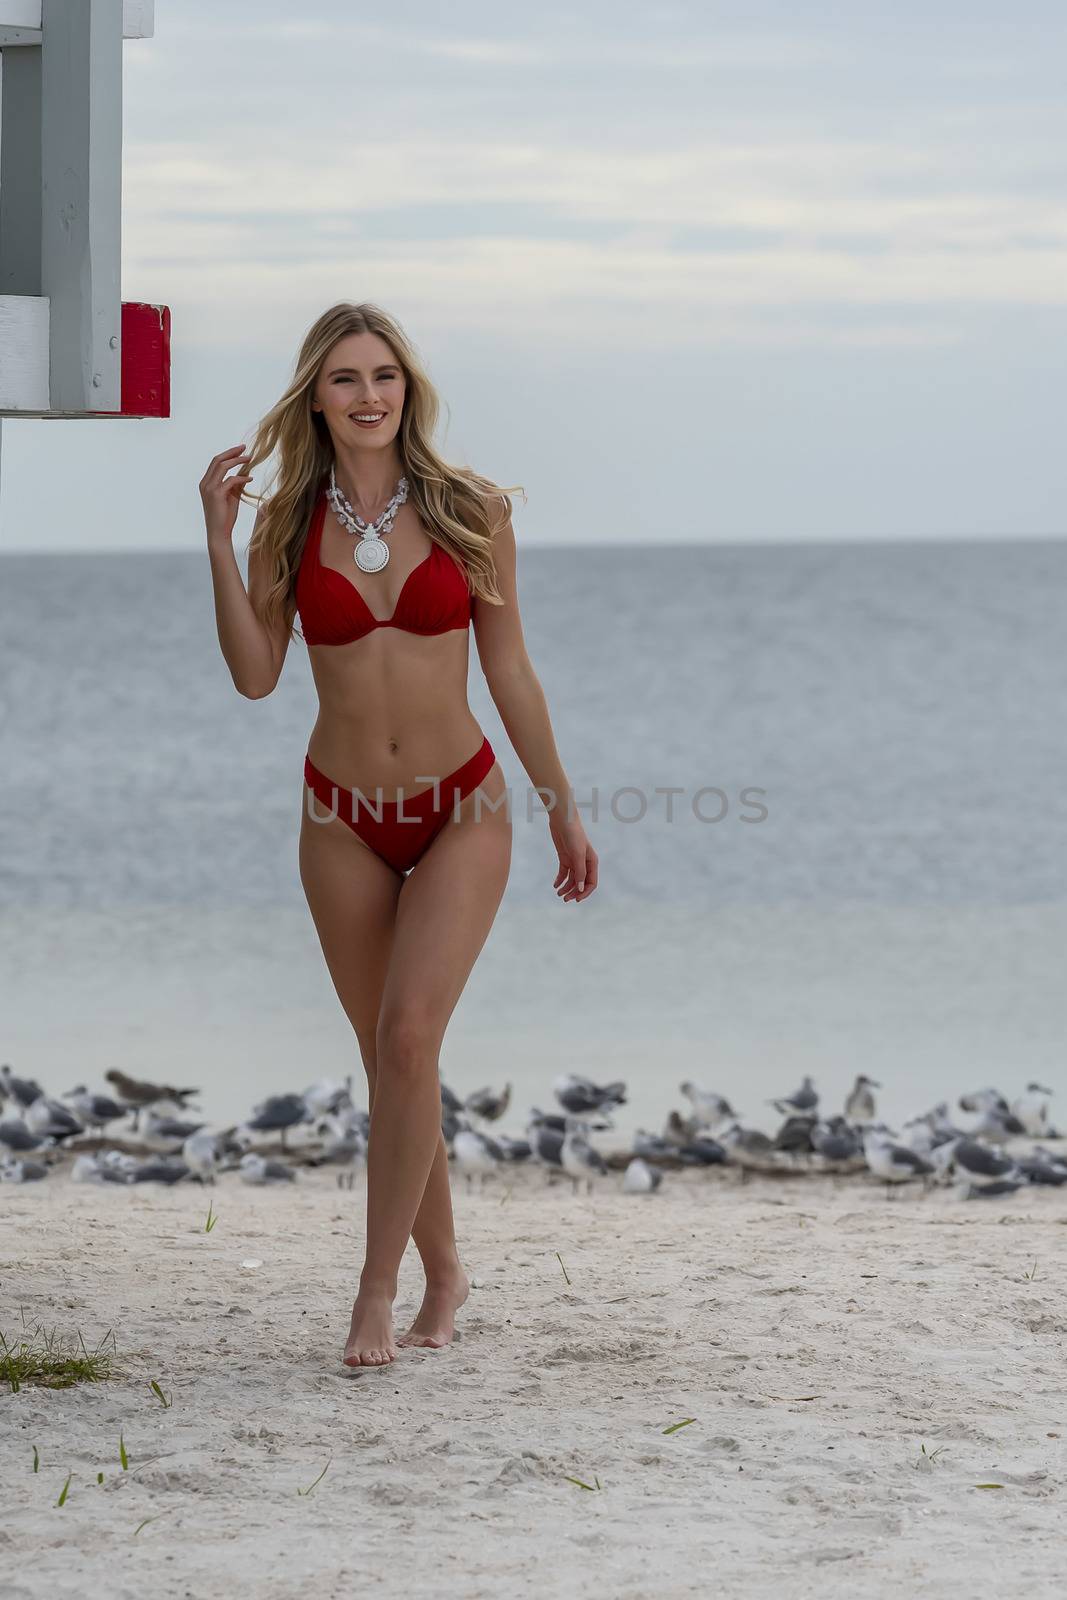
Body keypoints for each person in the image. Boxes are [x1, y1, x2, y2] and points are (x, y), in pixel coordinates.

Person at [199, 302, 598, 1368]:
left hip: (460, 805)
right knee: (390, 1060)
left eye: (383, 375)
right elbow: (254, 676)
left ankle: (375, 1290)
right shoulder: (284, 524)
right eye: (343, 379)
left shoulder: (469, 508)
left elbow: (508, 669)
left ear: (406, 390)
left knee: (409, 1037)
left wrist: (559, 801)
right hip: (338, 816)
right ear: (314, 397)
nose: (367, 395)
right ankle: (447, 1271)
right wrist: (217, 536)